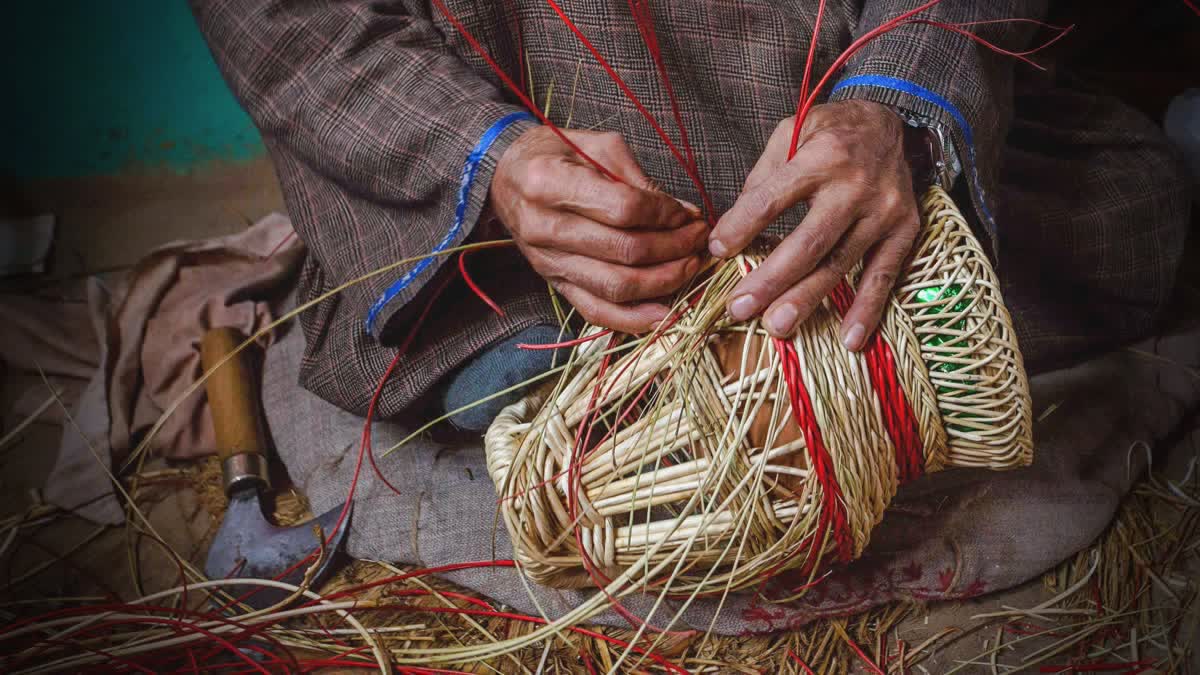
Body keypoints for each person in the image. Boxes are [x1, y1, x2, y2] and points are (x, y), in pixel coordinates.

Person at [191, 0, 1190, 432]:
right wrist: (481, 154)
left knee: (1123, 230)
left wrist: (897, 101)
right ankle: (531, 347)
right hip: (497, 190)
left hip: (844, 93)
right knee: (489, 376)